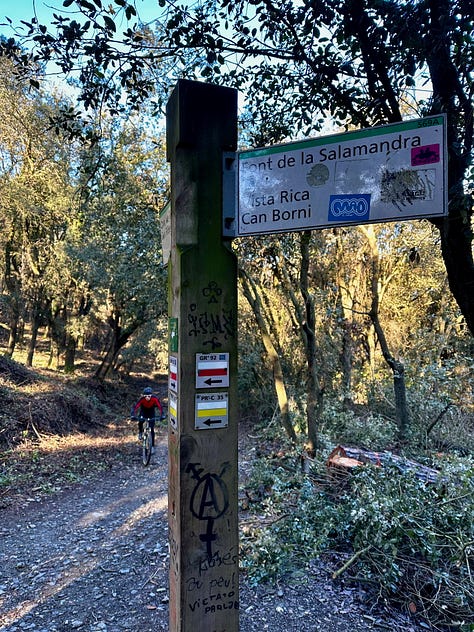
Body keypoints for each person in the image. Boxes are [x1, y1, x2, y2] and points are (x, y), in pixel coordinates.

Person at [130, 387, 163, 452]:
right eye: (146, 396)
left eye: (149, 396)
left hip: (151, 412)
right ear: (143, 396)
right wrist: (133, 415)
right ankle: (140, 432)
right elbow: (136, 407)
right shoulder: (142, 399)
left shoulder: (154, 399)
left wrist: (163, 415)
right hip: (143, 411)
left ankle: (152, 446)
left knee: (152, 429)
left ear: (151, 395)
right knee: (141, 421)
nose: (147, 397)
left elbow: (160, 407)